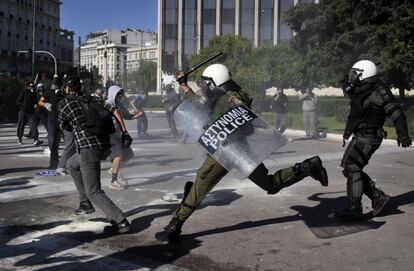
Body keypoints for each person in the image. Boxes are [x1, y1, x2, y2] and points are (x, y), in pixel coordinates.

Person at [155, 64, 329, 243]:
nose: (205, 87)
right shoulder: (230, 95)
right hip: (241, 149)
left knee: (202, 180)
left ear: (215, 82)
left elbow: (210, 112)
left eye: (207, 83)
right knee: (270, 184)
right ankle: (307, 167)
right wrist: (184, 85)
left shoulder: (230, 98)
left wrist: (210, 119)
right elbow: (203, 106)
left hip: (226, 148)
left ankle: (174, 226)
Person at [335, 60, 412, 220]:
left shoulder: (378, 91)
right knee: (350, 168)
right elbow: (348, 89)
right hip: (363, 134)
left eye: (355, 74)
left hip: (370, 135)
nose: (352, 77)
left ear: (365, 75)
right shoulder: (362, 88)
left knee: (351, 166)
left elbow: (395, 111)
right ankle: (377, 197)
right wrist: (346, 81)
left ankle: (355, 208)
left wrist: (403, 133)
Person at [57, 77, 130, 233]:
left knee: (94, 190)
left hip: (88, 148)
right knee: (71, 165)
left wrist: (71, 123)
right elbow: (112, 109)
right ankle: (85, 203)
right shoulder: (91, 98)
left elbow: (62, 125)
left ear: (67, 88)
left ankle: (120, 220)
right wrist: (124, 132)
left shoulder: (65, 103)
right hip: (103, 144)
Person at [105, 85, 135, 190]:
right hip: (110, 135)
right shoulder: (106, 104)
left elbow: (127, 116)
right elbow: (115, 113)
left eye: (121, 95)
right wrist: (125, 131)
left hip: (118, 134)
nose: (119, 97)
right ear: (113, 94)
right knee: (118, 155)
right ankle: (113, 181)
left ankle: (113, 168)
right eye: (118, 94)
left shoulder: (119, 105)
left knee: (128, 155)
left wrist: (137, 115)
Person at [16, 81, 41, 146]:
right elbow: (18, 101)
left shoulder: (35, 93)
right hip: (23, 111)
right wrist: (23, 105)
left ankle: (35, 139)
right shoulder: (23, 92)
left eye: (33, 86)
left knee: (33, 125)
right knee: (21, 125)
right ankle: (19, 138)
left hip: (31, 112)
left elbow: (36, 101)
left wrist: (36, 104)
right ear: (28, 86)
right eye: (31, 86)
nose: (32, 88)